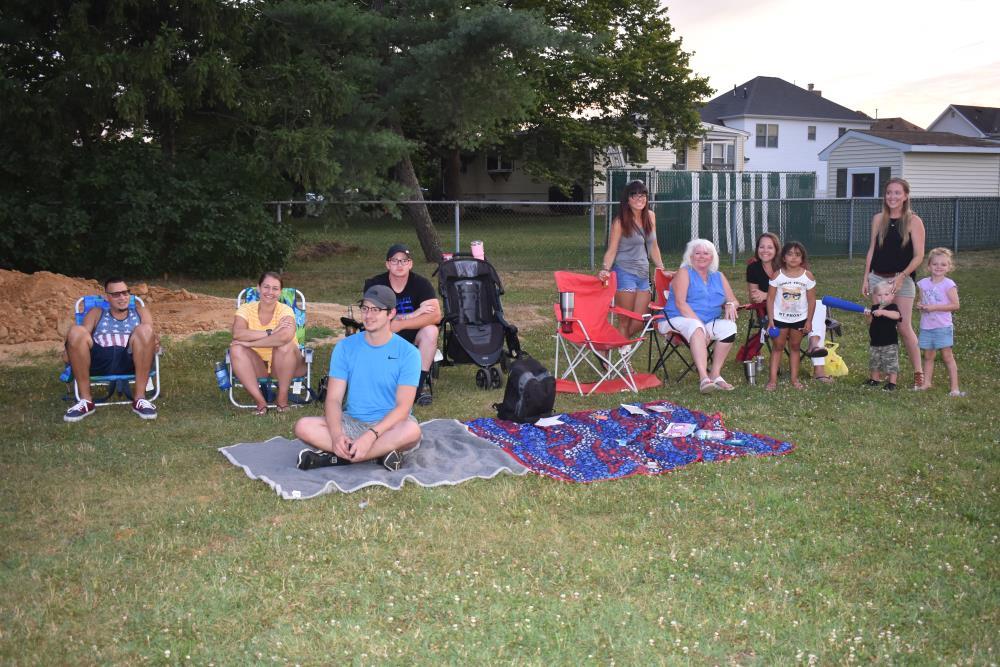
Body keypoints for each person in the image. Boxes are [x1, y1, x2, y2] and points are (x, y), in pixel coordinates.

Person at [294, 285, 422, 471]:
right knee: (303, 426)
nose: (368, 315)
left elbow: (403, 408)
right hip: (352, 422)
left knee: (412, 431)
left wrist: (371, 436)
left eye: (376, 310)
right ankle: (377, 454)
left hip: (390, 426)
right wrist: (337, 435)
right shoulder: (345, 347)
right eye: (365, 308)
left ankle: (341, 458)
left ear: (391, 313)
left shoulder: (409, 353)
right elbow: (334, 399)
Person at [62, 277, 159, 422]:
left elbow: (153, 340)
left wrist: (154, 341)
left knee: (145, 330)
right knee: (76, 330)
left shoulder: (141, 312)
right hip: (99, 361)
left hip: (131, 359)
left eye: (125, 293)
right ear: (107, 297)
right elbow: (81, 337)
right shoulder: (96, 312)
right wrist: (71, 346)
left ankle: (139, 399)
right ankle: (85, 401)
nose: (122, 297)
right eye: (116, 294)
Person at [862, 177, 925, 389]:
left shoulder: (914, 221)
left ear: (906, 196)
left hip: (902, 279)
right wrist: (866, 277)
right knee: (880, 323)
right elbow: (872, 249)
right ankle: (877, 375)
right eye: (889, 192)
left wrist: (902, 276)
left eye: (897, 193)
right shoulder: (878, 218)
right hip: (878, 277)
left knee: (903, 326)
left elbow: (919, 256)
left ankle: (919, 373)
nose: (892, 197)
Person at [746, 232, 831, 382]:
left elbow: (803, 290)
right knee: (817, 305)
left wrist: (765, 294)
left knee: (818, 304)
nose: (765, 250)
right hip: (771, 312)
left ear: (777, 250)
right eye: (762, 247)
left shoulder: (788, 265)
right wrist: (767, 296)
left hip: (797, 311)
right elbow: (755, 296)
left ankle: (814, 345)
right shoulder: (754, 267)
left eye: (769, 247)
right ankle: (814, 343)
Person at [364, 243, 441, 406]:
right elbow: (376, 317)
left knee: (431, 332)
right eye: (395, 260)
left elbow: (435, 315)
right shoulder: (375, 284)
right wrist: (415, 313)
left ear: (410, 264)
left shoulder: (421, 283)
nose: (399, 265)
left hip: (413, 334)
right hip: (384, 334)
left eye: (404, 261)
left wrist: (401, 323)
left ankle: (417, 387)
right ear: (387, 264)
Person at [658, 239, 739, 393]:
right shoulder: (684, 272)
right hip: (676, 318)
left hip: (707, 321)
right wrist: (701, 326)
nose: (702, 256)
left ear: (712, 257)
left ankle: (715, 374)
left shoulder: (718, 276)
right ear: (691, 256)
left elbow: (734, 300)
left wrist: (730, 305)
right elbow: (681, 304)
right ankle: (703, 378)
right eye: (697, 253)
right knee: (696, 327)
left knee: (729, 327)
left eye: (706, 253)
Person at [229, 272, 307, 415]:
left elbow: (285, 336)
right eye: (266, 287)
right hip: (259, 366)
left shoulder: (285, 310)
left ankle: (282, 398)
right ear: (258, 288)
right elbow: (238, 333)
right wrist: (270, 332)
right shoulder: (246, 309)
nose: (270, 292)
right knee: (236, 349)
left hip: (287, 365)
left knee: (284, 345)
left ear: (280, 292)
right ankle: (260, 402)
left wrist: (250, 343)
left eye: (275, 288)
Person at [598, 180, 669, 337]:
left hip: (643, 274)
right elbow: (612, 250)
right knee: (624, 321)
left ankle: (609, 344)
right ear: (627, 199)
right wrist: (605, 269)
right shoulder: (620, 221)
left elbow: (653, 246)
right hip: (624, 273)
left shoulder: (650, 216)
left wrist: (660, 269)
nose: (639, 198)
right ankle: (624, 359)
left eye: (643, 195)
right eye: (634, 195)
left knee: (640, 321)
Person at [765, 242, 817, 391]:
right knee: (778, 347)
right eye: (790, 254)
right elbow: (770, 299)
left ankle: (794, 380)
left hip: (799, 318)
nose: (793, 258)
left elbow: (812, 300)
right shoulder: (777, 275)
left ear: (802, 258)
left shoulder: (807, 276)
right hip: (779, 318)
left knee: (795, 347)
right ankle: (772, 380)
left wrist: (809, 321)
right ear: (783, 258)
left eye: (797, 255)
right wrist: (770, 320)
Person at [916, 248, 964, 396]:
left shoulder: (948, 284)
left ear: (949, 267)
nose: (939, 267)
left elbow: (956, 305)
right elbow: (922, 301)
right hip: (927, 326)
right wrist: (920, 306)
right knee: (929, 356)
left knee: (947, 356)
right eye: (935, 264)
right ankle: (926, 383)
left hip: (942, 326)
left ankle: (955, 388)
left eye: (943, 264)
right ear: (929, 266)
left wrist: (935, 307)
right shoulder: (923, 284)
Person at [864, 281, 901, 390]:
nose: (882, 297)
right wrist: (868, 316)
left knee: (891, 363)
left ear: (892, 296)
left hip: (889, 342)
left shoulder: (892, 307)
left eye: (886, 294)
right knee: (874, 362)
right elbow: (870, 322)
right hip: (875, 342)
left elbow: (897, 316)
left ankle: (892, 383)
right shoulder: (875, 307)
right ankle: (874, 379)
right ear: (875, 296)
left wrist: (883, 312)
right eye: (879, 295)